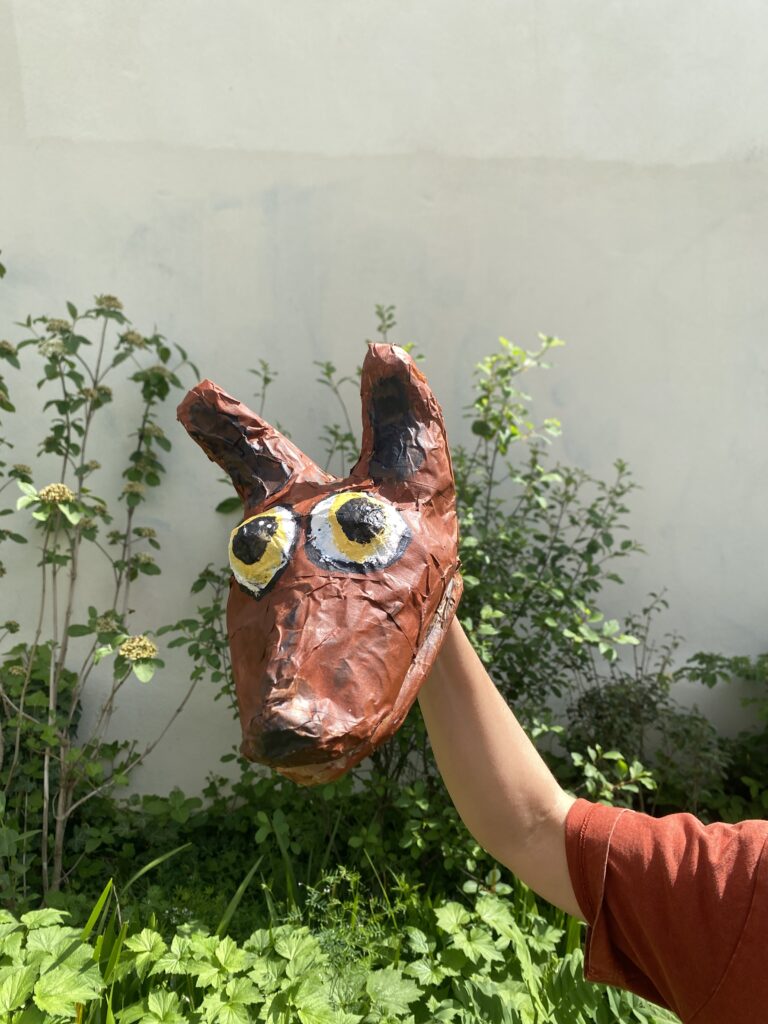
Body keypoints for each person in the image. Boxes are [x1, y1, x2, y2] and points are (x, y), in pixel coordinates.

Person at [418, 615, 768, 1024]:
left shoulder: (747, 898)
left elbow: (535, 829)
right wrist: (428, 605)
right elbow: (536, 827)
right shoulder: (745, 897)